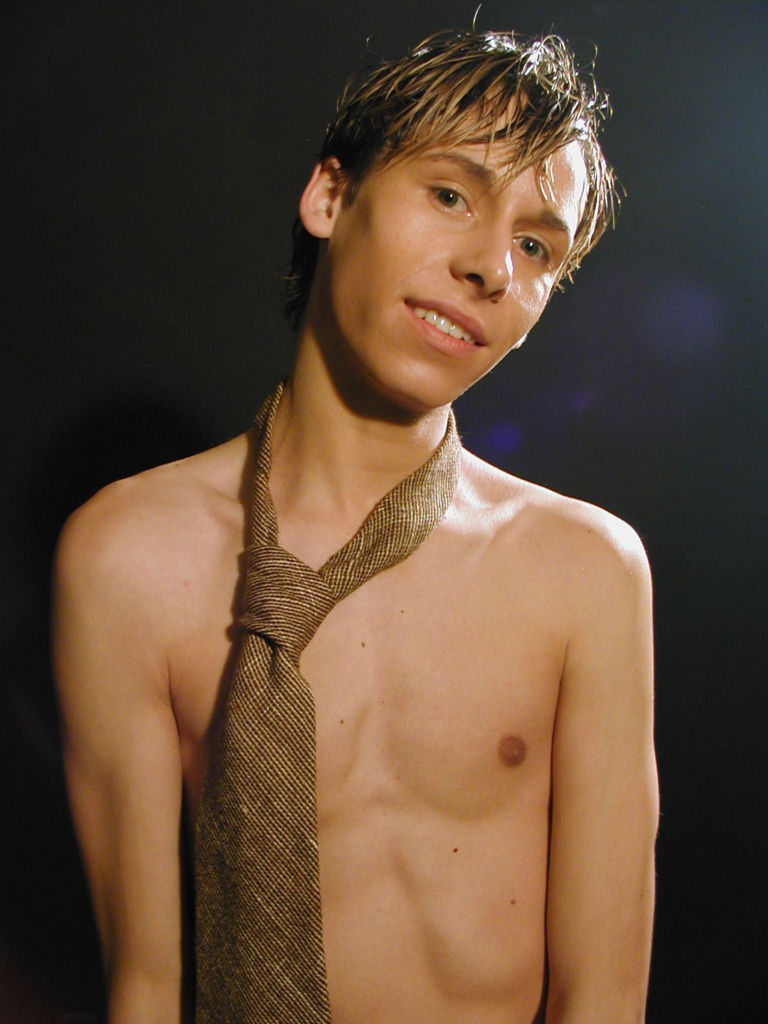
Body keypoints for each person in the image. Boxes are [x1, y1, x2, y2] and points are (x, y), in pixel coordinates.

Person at [52, 28, 658, 1024]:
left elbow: (604, 996)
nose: (490, 266)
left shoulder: (584, 571)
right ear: (331, 195)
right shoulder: (126, 555)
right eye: (451, 195)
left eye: (535, 246)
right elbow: (146, 987)